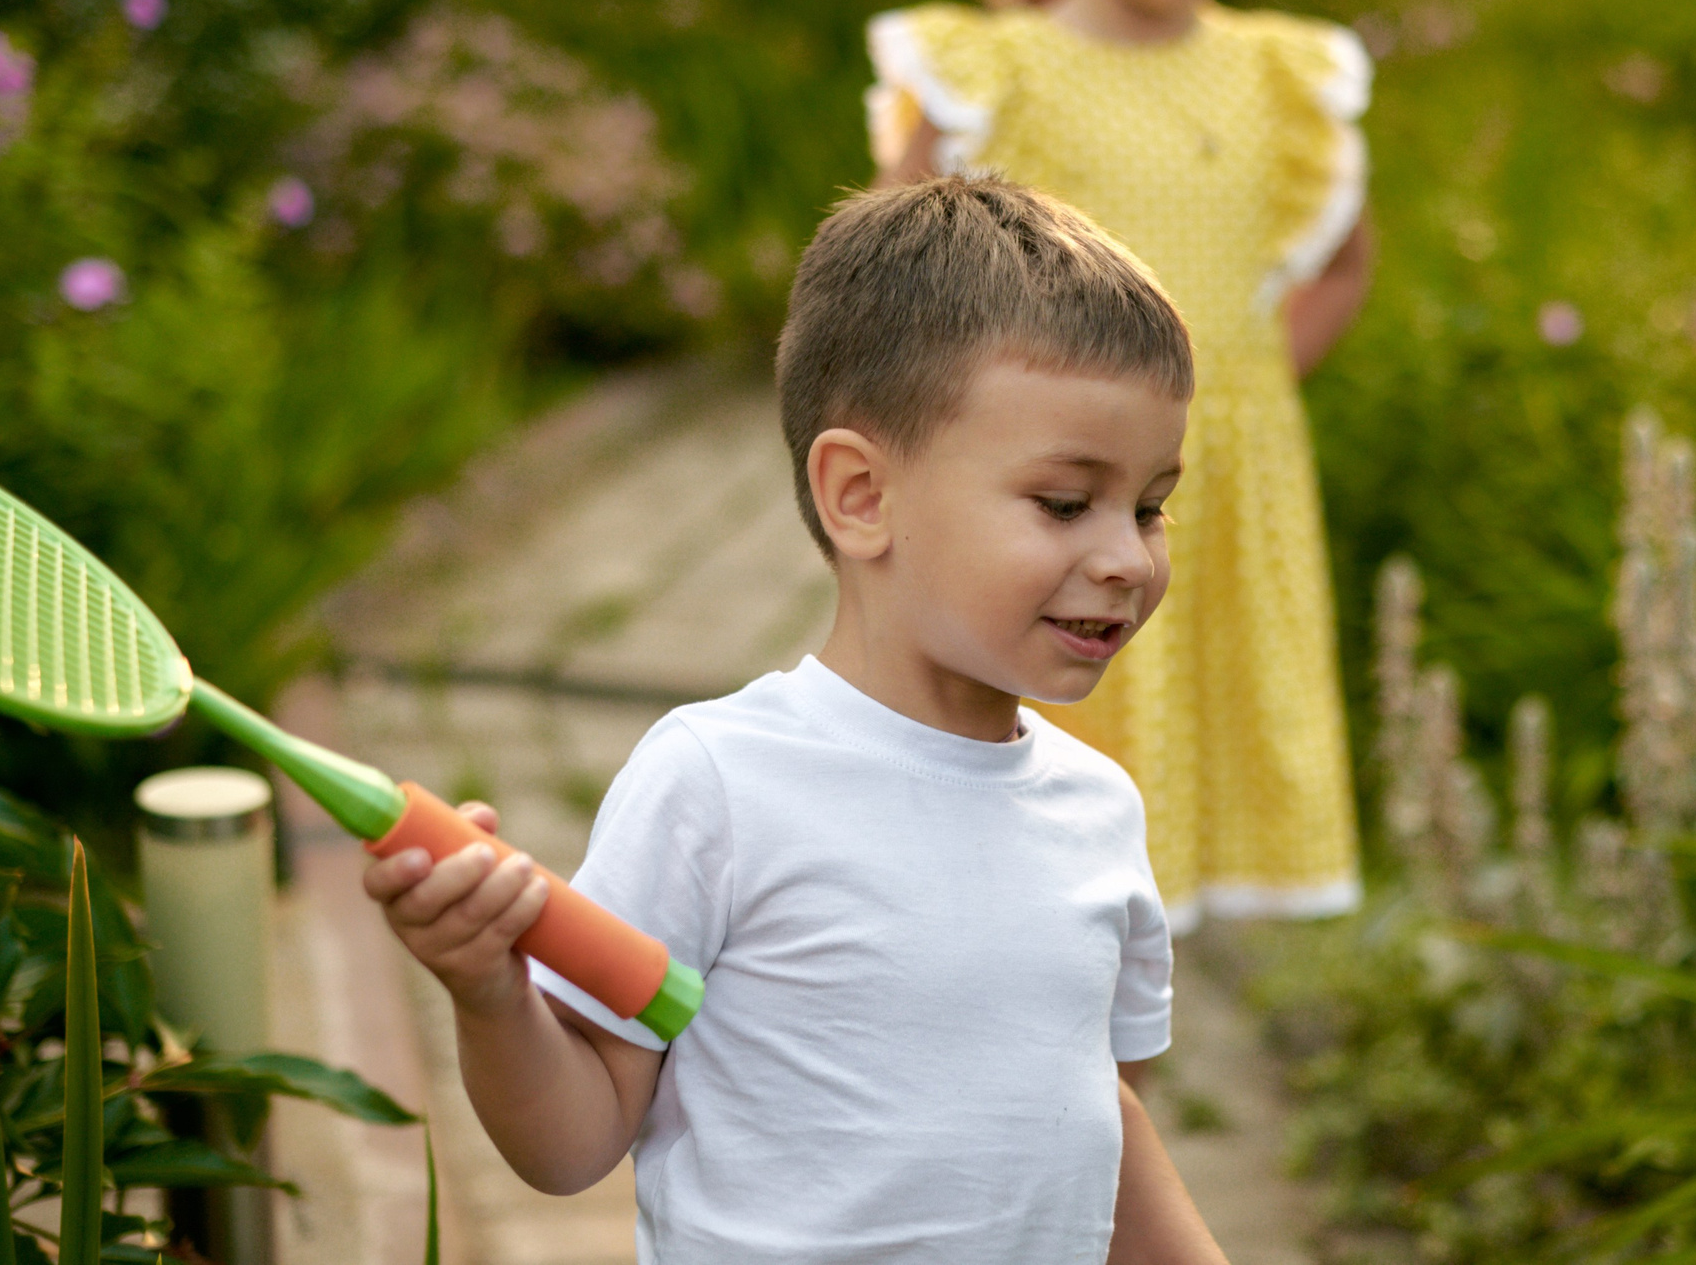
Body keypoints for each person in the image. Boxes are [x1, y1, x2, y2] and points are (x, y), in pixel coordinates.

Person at [364, 176, 1228, 1264]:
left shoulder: (1097, 809)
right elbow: (572, 1138)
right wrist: (487, 991)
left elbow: (1102, 1123)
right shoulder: (719, 784)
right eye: (1065, 502)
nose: (1124, 555)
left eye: (1149, 505)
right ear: (860, 495)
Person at [867, 0, 1369, 929]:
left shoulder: (1280, 76)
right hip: (1037, 500)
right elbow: (885, 276)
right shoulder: (996, 73)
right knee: (1008, 821)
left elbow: (1339, 267)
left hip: (1192, 506)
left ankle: (1120, 1074)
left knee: (1146, 861)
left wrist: (1221, 406)